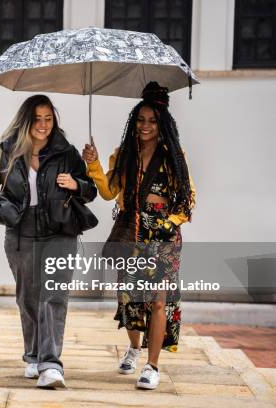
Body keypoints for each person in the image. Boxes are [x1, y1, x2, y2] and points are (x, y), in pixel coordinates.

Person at [0, 95, 97, 388]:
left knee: (52, 296)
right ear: (27, 120)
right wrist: (7, 215)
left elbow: (89, 191)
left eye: (48, 119)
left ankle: (51, 365)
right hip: (21, 231)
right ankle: (34, 356)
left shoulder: (66, 153)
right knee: (28, 298)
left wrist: (77, 183)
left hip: (59, 229)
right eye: (38, 119)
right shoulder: (6, 152)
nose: (43, 125)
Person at [82, 82, 196, 390]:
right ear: (134, 121)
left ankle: (152, 365)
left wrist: (171, 221)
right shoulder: (123, 156)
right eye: (141, 120)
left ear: (162, 125)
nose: (145, 126)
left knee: (158, 302)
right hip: (131, 234)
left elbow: (188, 200)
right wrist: (92, 163)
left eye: (152, 121)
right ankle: (134, 347)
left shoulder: (174, 157)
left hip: (163, 238)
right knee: (131, 300)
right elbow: (108, 192)